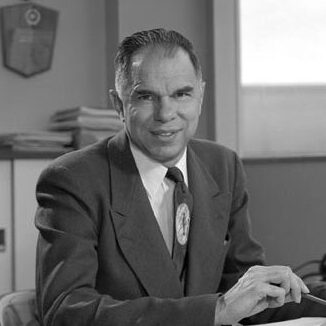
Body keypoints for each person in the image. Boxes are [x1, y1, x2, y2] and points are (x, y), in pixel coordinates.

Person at [35, 28, 325, 326]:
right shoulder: (72, 180)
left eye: (181, 94)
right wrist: (217, 310)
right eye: (146, 96)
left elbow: (249, 294)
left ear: (200, 96)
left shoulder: (223, 166)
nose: (166, 113)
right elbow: (65, 310)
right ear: (119, 106)